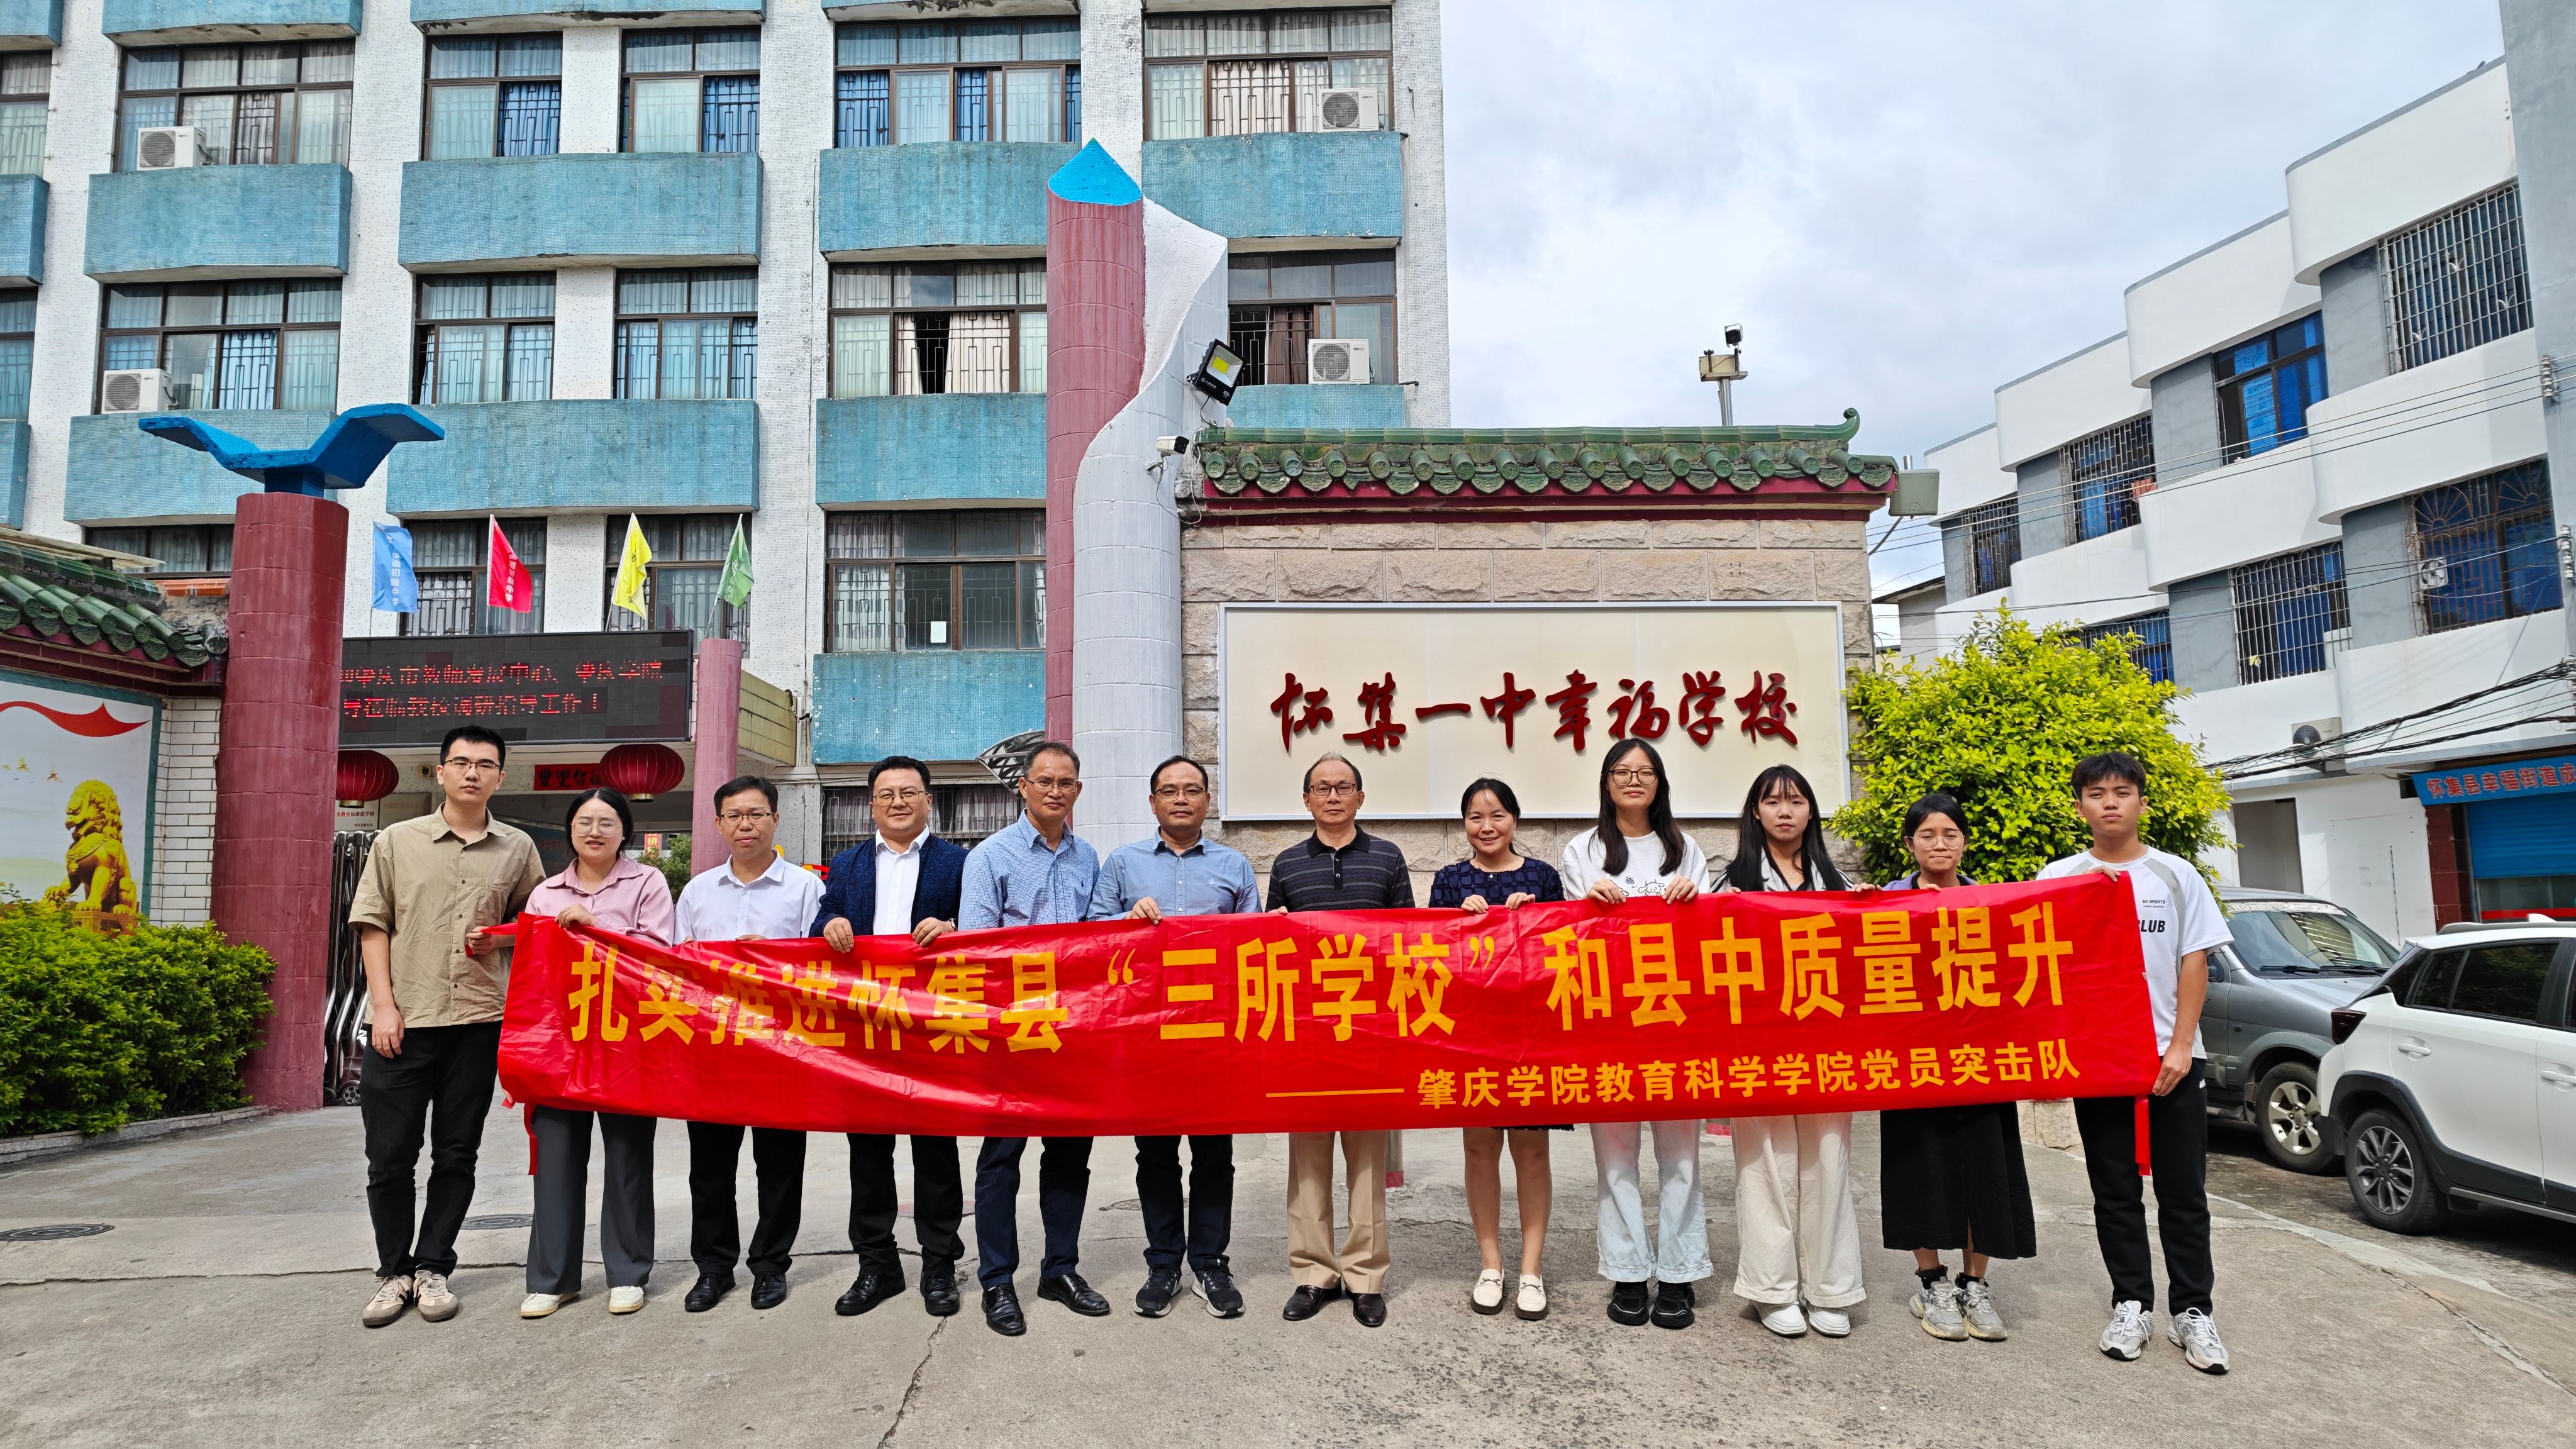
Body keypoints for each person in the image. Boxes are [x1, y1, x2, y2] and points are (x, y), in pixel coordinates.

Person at [2037, 752, 2233, 1374]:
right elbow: (2044, 967)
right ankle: (2131, 1304)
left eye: (2122, 792)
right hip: (2099, 1061)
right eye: (2097, 794)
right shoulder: (2059, 877)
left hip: (2172, 1057)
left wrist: (2180, 1045)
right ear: (2080, 808)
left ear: (2141, 803)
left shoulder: (2175, 875)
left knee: (2183, 1191)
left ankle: (2193, 1312)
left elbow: (2194, 961)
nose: (2110, 803)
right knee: (2114, 1189)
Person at [347, 723, 547, 1329]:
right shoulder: (396, 841)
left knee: (457, 1155)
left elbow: (534, 927)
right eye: (460, 763)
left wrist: (502, 941)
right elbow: (373, 925)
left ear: (500, 777)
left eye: (484, 765)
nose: (471, 773)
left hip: (478, 1024)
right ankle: (393, 1272)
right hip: (404, 1022)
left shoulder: (518, 849)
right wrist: (384, 1006)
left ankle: (433, 1266)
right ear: (440, 772)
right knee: (389, 1158)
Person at [1087, 754, 1259, 1321]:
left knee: (1214, 1154)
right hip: (1148, 1035)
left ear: (1208, 801)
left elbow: (1255, 947)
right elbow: (1088, 937)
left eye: (1191, 790)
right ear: (1153, 802)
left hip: (1215, 1034)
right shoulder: (1122, 863)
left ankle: (1211, 1263)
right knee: (1156, 1154)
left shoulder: (1234, 866)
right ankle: (1163, 1264)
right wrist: (1124, 922)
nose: (1181, 799)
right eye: (1169, 790)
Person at [1558, 740, 1713, 1331]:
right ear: (1606, 782)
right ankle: (1627, 1272)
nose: (1633, 780)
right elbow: (1567, 938)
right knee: (1616, 1157)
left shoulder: (1685, 849)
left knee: (1682, 1157)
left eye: (1644, 772)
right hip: (1610, 1025)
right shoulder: (1583, 850)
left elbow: (1708, 937)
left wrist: (1695, 900)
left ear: (1659, 783)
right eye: (1622, 772)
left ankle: (1678, 1273)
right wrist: (1587, 904)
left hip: (1675, 1024)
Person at [1876, 793, 2034, 1344]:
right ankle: (1931, 1282)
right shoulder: (1884, 904)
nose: (1939, 844)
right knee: (1919, 1165)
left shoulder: (1993, 902)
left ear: (1965, 842)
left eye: (1950, 834)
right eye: (1927, 834)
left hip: (1981, 1061)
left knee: (1984, 1167)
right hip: (1912, 1061)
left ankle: (1975, 1285)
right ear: (1909, 844)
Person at [814, 755, 967, 1321]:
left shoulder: (959, 862)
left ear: (928, 800)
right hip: (866, 1030)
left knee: (936, 1152)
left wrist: (954, 928)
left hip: (932, 1029)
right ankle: (877, 1264)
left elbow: (983, 927)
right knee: (868, 1153)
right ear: (872, 805)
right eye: (886, 794)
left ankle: (939, 1263)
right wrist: (828, 925)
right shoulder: (848, 863)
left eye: (909, 792)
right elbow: (823, 917)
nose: (898, 802)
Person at [960, 740, 1106, 1336]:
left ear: (1078, 791)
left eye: (1065, 782)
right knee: (1001, 1159)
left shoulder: (1088, 857)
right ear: (1022, 787)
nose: (1055, 791)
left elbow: (1098, 941)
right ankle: (997, 1281)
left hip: (1073, 1034)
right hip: (1012, 1035)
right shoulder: (990, 856)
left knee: (1070, 1158)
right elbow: (977, 950)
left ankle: (1060, 1269)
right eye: (1044, 781)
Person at [1266, 752, 1413, 1330]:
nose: (1333, 796)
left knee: (1368, 1161)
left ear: (1360, 797)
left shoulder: (1388, 858)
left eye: (1343, 787)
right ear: (1306, 800)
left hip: (1369, 1032)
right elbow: (1271, 949)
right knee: (1307, 1160)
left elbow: (1408, 940)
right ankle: (1313, 1274)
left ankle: (1366, 1277)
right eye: (1322, 788)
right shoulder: (1286, 864)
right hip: (1306, 1034)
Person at [1718, 763, 1865, 1340]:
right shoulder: (1730, 882)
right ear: (1755, 812)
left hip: (1827, 1044)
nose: (1785, 811)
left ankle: (1831, 1289)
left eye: (1796, 800)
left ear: (1811, 811)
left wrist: (1871, 907)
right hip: (1758, 1044)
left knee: (1828, 1162)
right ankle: (1772, 1289)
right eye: (1773, 801)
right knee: (1764, 1165)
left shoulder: (1838, 882)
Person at [519, 786, 675, 1321]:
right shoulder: (545, 893)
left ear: (625, 832)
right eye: (584, 821)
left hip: (627, 1041)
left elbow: (661, 952)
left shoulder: (647, 882)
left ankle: (628, 1273)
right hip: (560, 1045)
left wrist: (599, 927)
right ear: (570, 831)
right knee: (557, 1160)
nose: (595, 831)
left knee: (628, 1158)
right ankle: (551, 1279)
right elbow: (532, 965)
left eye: (607, 822)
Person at [674, 775, 823, 1315]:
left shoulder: (806, 889)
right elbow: (675, 968)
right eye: (734, 816)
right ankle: (714, 1268)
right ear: (718, 824)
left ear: (776, 820)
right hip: (712, 1048)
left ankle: (770, 1266)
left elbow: (821, 973)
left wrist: (776, 960)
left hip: (782, 1049)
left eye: (757, 814)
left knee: (779, 1164)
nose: (746, 825)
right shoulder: (697, 892)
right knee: (709, 1167)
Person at [1428, 776, 1564, 1323]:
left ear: (1515, 820)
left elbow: (1566, 951)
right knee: (1479, 1152)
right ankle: (1491, 1265)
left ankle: (1532, 1270)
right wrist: (1457, 923)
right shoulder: (1448, 881)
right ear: (1464, 824)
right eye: (1476, 817)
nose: (1487, 827)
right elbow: (1429, 959)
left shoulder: (1544, 877)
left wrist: (1533, 920)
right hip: (1471, 1037)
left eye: (1498, 815)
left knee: (1532, 1154)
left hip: (1532, 1036)